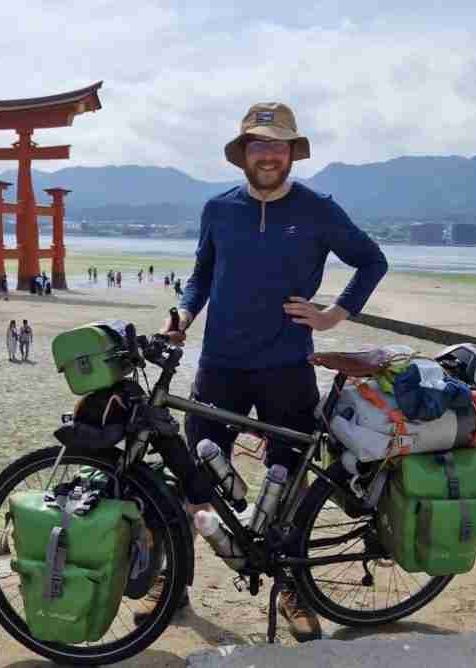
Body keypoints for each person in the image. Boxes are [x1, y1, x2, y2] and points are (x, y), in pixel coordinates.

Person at [149, 102, 388, 641]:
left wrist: (332, 316)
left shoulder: (318, 208)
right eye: (259, 144)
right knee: (195, 477)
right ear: (243, 153)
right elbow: (201, 274)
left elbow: (372, 260)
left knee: (289, 486)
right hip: (220, 366)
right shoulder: (218, 209)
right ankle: (171, 585)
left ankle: (292, 591)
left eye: (279, 145)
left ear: (291, 152)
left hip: (286, 368)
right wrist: (184, 315)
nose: (269, 154)